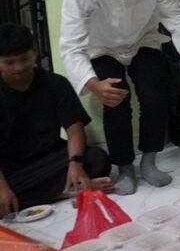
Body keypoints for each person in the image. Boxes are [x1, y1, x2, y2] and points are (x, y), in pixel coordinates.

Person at [60, 0, 180, 195]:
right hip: (101, 48)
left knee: (154, 95)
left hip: (143, 41)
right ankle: (125, 168)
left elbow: (176, 16)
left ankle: (149, 162)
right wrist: (93, 84)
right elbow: (71, 45)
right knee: (116, 101)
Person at [0, 24, 111, 214]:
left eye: (24, 59)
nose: (19, 68)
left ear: (35, 53)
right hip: (9, 169)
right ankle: (66, 190)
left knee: (97, 159)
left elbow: (74, 128)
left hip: (50, 158)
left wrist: (75, 164)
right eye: (9, 62)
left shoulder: (55, 83)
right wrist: (2, 189)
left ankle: (62, 187)